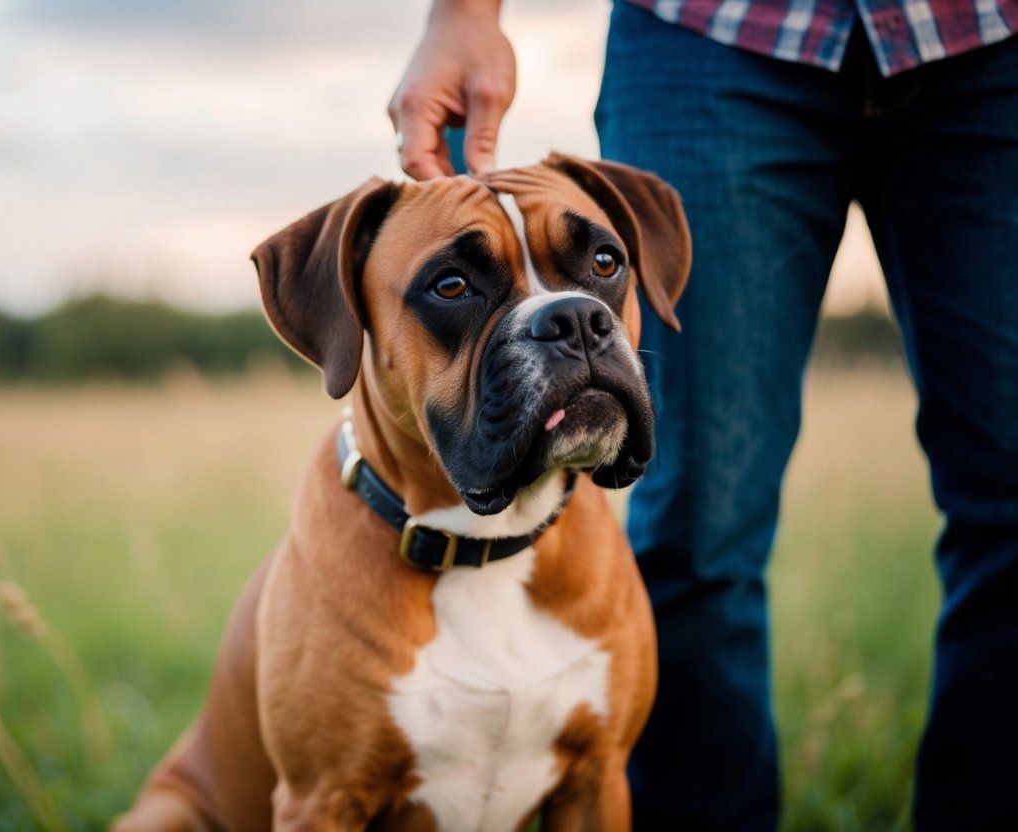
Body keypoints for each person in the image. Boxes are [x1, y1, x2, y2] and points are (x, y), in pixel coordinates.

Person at [388, 1, 1018, 828]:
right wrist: (464, 14)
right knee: (697, 525)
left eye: (600, 267)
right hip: (714, 32)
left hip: (991, 40)